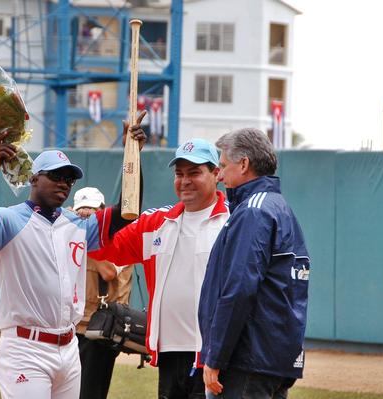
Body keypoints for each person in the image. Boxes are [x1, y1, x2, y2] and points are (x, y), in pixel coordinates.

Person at [0, 117, 146, 399]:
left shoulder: (79, 224)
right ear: (34, 178)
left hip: (68, 348)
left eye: (68, 178)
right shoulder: (9, 220)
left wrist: (133, 153)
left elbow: (129, 209)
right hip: (25, 348)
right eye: (55, 176)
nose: (64, 183)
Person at [90, 138, 230, 399]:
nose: (185, 181)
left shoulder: (233, 222)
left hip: (213, 355)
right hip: (169, 352)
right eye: (179, 174)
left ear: (216, 174)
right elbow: (105, 246)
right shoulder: (155, 223)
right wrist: (76, 222)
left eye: (195, 172)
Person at [198, 128, 310, 399]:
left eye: (223, 165)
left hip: (247, 360)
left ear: (244, 164)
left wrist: (215, 356)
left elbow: (239, 288)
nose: (220, 174)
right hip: (272, 359)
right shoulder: (278, 206)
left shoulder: (253, 211)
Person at [72, 187, 133, 399]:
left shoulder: (119, 237)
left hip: (102, 329)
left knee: (90, 393)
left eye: (93, 211)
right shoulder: (71, 235)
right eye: (82, 211)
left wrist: (85, 237)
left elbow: (108, 272)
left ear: (104, 211)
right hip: (75, 327)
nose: (87, 215)